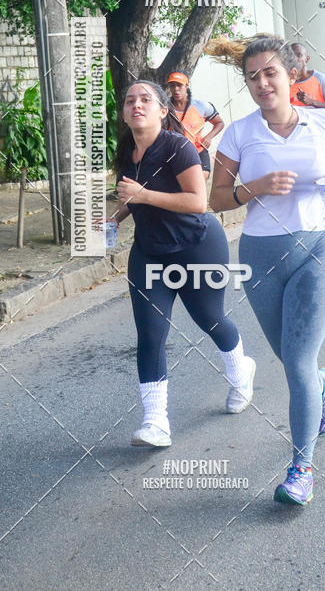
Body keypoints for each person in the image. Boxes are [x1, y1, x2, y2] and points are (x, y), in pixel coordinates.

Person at [207, 34, 325, 506]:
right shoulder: (238, 133)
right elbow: (214, 199)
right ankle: (322, 385)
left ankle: (302, 468)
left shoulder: (319, 122)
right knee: (295, 361)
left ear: (291, 74)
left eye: (270, 73)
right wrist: (258, 186)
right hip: (261, 256)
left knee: (296, 362)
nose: (262, 83)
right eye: (253, 77)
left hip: (318, 245)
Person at [107, 81, 254, 448]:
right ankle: (156, 422)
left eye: (145, 100)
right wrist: (117, 216)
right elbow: (134, 197)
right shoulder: (128, 152)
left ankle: (241, 371)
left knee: (210, 319)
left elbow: (196, 201)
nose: (136, 105)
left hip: (197, 247)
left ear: (161, 110)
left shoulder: (178, 147)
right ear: (124, 113)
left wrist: (144, 195)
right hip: (149, 252)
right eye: (130, 101)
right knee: (151, 334)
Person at [166, 71, 224, 180]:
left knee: (200, 181)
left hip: (198, 152)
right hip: (174, 155)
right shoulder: (163, 108)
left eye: (179, 85)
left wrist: (209, 137)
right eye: (172, 85)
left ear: (187, 86)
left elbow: (219, 123)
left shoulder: (201, 106)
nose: (176, 89)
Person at [290, 42, 325, 117]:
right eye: (291, 56)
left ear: (307, 59)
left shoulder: (319, 78)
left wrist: (312, 102)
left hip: (318, 127)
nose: (295, 59)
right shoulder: (285, 82)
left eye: (299, 55)